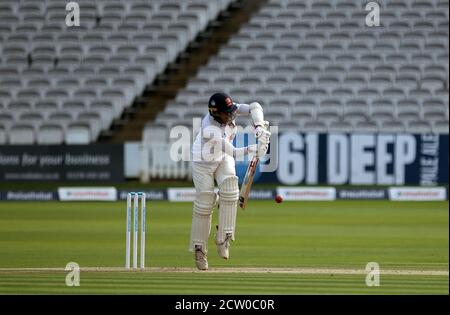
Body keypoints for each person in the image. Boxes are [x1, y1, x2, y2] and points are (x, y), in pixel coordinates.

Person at [189, 92, 271, 270]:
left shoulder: (228, 111)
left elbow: (255, 105)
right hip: (203, 162)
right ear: (216, 114)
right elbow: (233, 151)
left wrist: (259, 127)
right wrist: (255, 148)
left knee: (231, 189)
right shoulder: (209, 129)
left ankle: (224, 238)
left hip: (221, 158)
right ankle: (200, 249)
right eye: (227, 112)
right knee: (205, 203)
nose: (232, 114)